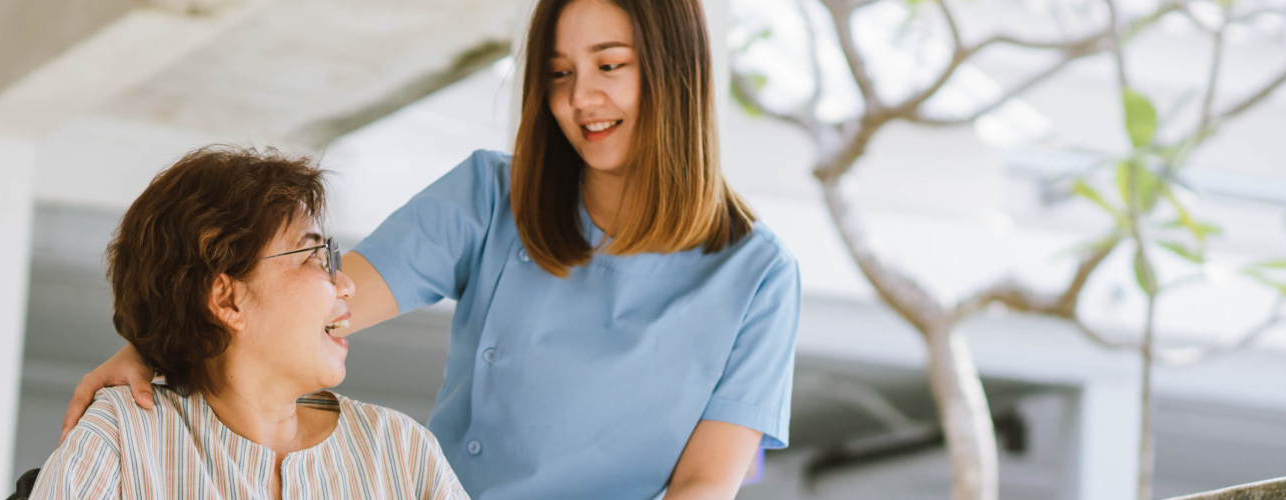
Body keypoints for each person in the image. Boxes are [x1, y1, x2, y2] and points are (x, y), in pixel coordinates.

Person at [66, 0, 801, 497]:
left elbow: (704, 485)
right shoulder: (490, 197)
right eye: (558, 74)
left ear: (679, 71)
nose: (581, 100)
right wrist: (173, 340)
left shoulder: (759, 277)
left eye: (610, 66)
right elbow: (310, 306)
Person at [30, 146, 467, 500]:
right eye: (313, 255)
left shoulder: (402, 453)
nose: (347, 284)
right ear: (227, 298)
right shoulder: (123, 440)